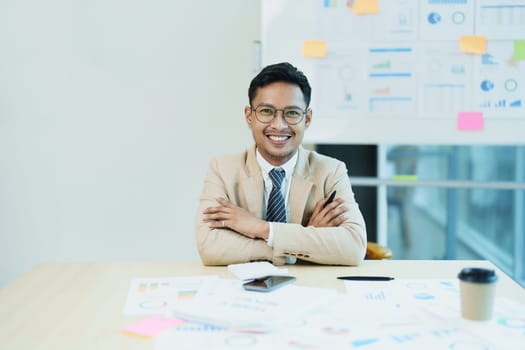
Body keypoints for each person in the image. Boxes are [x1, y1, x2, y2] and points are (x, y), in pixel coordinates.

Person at [195, 62, 366, 266]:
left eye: (292, 113)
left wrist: (261, 228)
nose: (279, 125)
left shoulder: (331, 171)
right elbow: (210, 247)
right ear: (249, 116)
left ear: (307, 119)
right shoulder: (223, 169)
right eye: (267, 111)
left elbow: (354, 247)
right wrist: (297, 246)